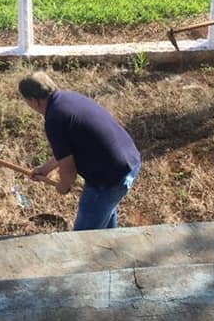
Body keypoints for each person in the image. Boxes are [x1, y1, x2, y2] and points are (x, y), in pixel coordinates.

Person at [19, 71, 141, 231]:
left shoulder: (54, 119)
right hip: (130, 161)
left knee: (83, 238)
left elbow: (69, 171)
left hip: (110, 180)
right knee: (105, 213)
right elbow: (70, 148)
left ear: (34, 101)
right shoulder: (69, 98)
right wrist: (46, 168)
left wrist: (63, 186)